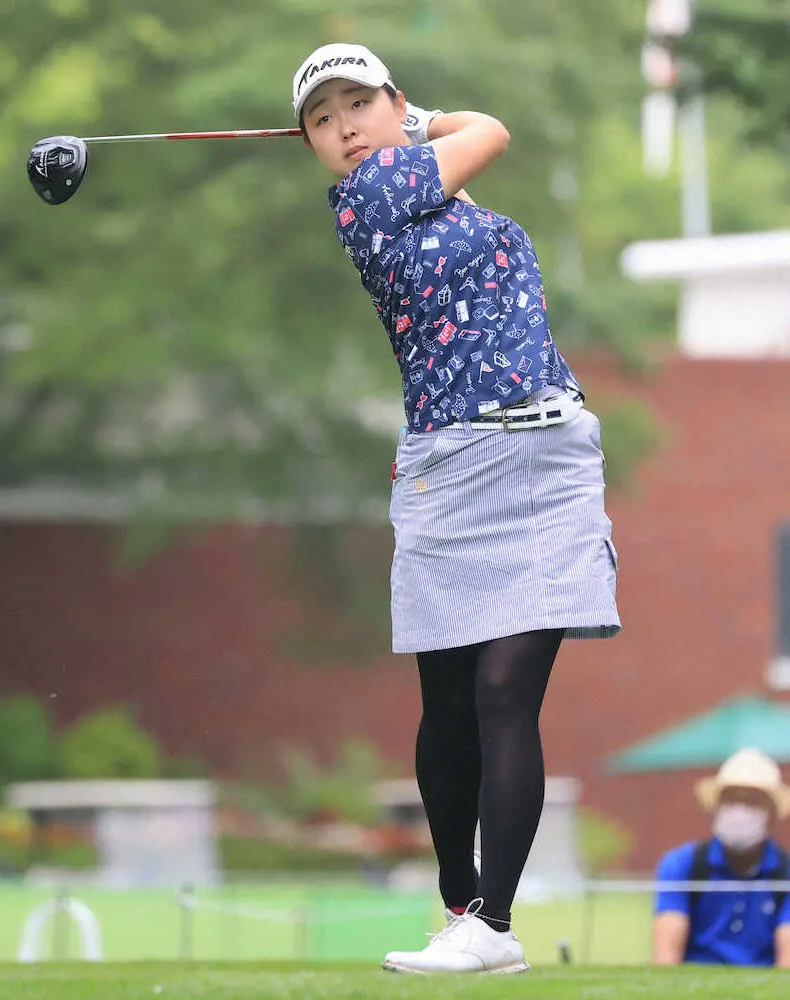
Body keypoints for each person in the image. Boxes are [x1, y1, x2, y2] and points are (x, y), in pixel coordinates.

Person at [291, 42, 621, 974]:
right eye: (323, 117)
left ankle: (494, 928)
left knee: (506, 692)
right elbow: (495, 129)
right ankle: (458, 899)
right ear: (311, 143)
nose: (345, 127)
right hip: (451, 463)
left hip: (551, 454)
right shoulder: (368, 195)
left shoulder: (441, 192)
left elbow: (484, 148)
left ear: (395, 101)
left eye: (360, 103)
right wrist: (418, 121)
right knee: (449, 710)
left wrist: (411, 119)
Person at [653, 747, 790, 968]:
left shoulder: (785, 874)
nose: (740, 810)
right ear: (716, 807)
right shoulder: (683, 865)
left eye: (753, 800)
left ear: (772, 814)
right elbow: (666, 959)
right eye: (731, 799)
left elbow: (787, 965)